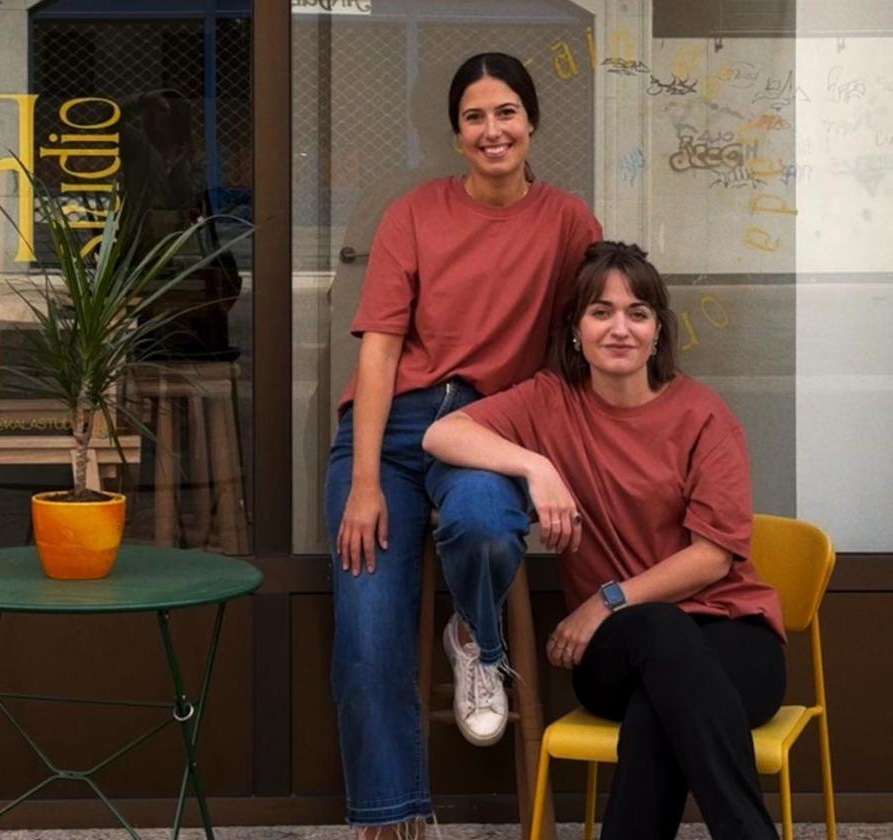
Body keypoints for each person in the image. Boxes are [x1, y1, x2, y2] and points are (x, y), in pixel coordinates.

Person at [422, 241, 785, 840]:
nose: (620, 328)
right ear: (575, 330)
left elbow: (713, 557)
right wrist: (537, 468)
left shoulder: (704, 416)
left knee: (658, 710)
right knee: (661, 633)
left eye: (638, 313)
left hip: (730, 634)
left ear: (658, 332)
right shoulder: (548, 403)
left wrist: (605, 600)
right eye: (602, 312)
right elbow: (443, 433)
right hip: (614, 654)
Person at [325, 53, 601, 837]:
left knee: (483, 522)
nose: (493, 130)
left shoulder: (567, 220)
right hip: (392, 425)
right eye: (476, 117)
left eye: (506, 112)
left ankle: (474, 635)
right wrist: (367, 479)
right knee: (367, 626)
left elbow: (590, 331)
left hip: (489, 427)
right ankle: (391, 819)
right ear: (456, 133)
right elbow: (379, 349)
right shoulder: (413, 213)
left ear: (532, 122)